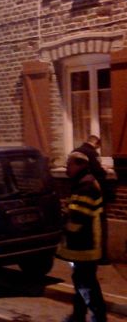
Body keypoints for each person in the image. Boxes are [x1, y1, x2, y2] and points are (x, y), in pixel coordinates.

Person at [57, 151, 107, 322]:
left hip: (84, 245)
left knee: (85, 283)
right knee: (81, 281)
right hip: (84, 245)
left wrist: (63, 224)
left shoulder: (86, 187)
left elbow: (77, 219)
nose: (66, 168)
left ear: (79, 165)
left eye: (69, 164)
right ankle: (78, 315)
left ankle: (98, 317)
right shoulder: (84, 183)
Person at [74, 135, 113, 264]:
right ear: (96, 143)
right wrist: (105, 171)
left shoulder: (75, 151)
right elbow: (98, 172)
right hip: (94, 193)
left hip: (77, 192)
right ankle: (101, 257)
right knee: (99, 224)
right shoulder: (91, 153)